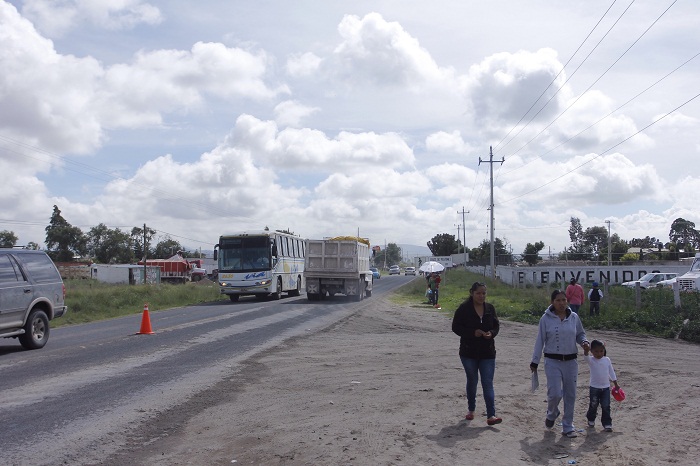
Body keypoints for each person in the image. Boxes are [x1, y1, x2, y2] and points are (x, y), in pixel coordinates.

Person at [530, 289, 590, 438]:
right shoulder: (545, 319)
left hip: (570, 361)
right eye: (558, 300)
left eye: (564, 300)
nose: (561, 303)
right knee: (555, 393)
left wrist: (584, 342)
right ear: (552, 302)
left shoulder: (574, 317)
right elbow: (540, 340)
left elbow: (580, 334)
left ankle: (568, 425)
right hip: (552, 361)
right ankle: (552, 413)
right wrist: (535, 361)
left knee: (570, 394)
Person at [452, 282, 502, 425]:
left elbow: (496, 326)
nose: (481, 296)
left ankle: (491, 415)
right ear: (472, 293)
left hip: (488, 352)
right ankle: (471, 409)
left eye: (484, 293)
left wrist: (491, 333)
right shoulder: (464, 309)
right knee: (472, 380)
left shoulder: (490, 309)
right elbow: (455, 327)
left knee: (487, 382)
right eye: (478, 293)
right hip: (468, 352)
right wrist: (472, 333)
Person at [584, 340, 618, 432]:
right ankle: (591, 418)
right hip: (594, 387)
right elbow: (586, 357)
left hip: (606, 388)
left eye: (601, 351)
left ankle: (607, 423)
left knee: (606, 405)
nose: (599, 353)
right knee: (593, 404)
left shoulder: (607, 360)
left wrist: (615, 383)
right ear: (592, 351)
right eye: (596, 351)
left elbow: (611, 371)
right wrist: (586, 350)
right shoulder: (591, 360)